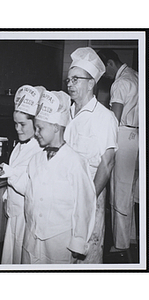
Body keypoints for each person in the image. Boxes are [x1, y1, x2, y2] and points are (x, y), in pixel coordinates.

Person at [8, 89, 96, 264]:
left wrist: (78, 242)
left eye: (40, 128)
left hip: (59, 242)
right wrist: (9, 174)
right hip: (31, 238)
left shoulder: (74, 162)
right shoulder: (36, 159)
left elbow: (84, 205)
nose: (37, 132)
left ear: (56, 127)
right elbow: (28, 189)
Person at [64, 47, 119, 263]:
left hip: (91, 195)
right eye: (68, 80)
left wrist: (87, 199)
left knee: (86, 256)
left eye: (75, 79)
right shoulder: (66, 113)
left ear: (90, 83)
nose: (69, 85)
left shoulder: (104, 118)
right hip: (64, 195)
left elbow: (107, 164)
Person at [0, 85, 43, 264]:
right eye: (15, 123)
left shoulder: (39, 149)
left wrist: (10, 173)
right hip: (14, 214)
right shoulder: (19, 146)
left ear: (37, 123)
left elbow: (32, 187)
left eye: (22, 124)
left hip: (26, 217)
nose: (18, 129)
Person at [97, 49, 139, 251]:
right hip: (137, 135)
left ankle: (121, 245)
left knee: (120, 192)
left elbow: (114, 118)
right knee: (130, 191)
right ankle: (130, 238)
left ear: (110, 63)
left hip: (123, 136)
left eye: (103, 68)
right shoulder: (136, 76)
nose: (103, 74)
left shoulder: (120, 83)